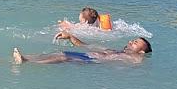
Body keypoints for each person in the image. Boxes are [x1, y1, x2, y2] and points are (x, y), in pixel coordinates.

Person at [13, 34, 152, 66]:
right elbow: (85, 45)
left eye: (135, 43)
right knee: (54, 53)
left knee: (62, 56)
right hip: (86, 55)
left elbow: (137, 64)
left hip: (91, 60)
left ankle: (26, 61)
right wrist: (70, 37)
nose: (131, 42)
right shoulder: (115, 50)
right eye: (132, 40)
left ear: (141, 52)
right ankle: (25, 57)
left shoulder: (137, 58)